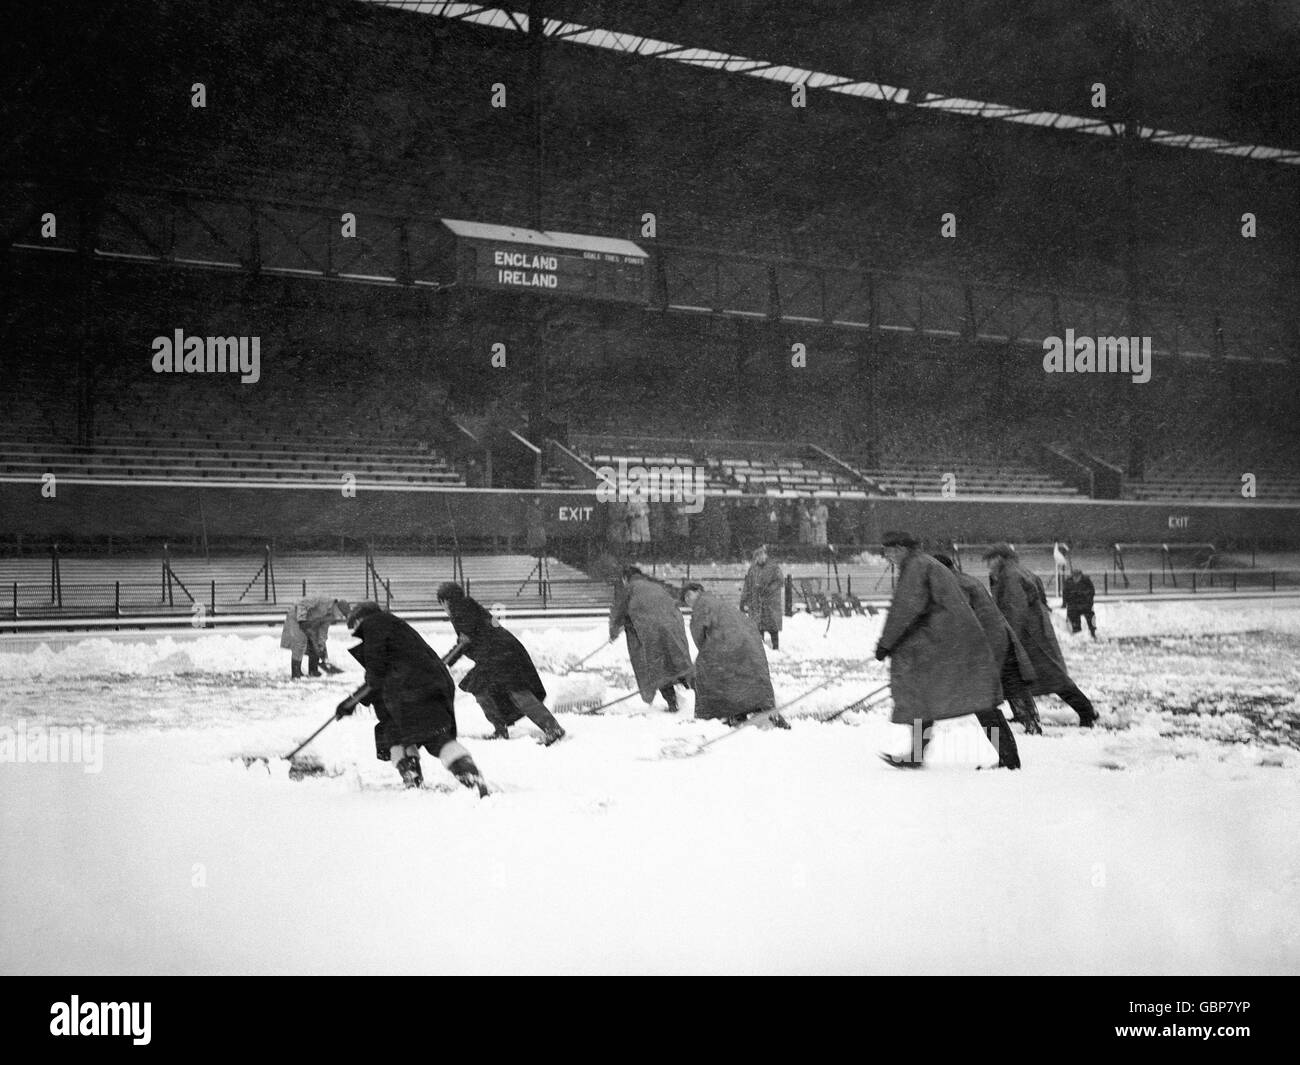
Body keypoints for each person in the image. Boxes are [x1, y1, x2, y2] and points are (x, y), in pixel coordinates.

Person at [874, 533, 1019, 769]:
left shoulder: (916, 566)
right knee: (929, 696)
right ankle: (916, 755)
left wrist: (886, 643)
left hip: (946, 644)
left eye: (888, 550)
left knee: (978, 702)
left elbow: (905, 607)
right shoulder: (923, 563)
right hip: (952, 641)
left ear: (900, 548)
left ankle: (1009, 759)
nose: (886, 556)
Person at [334, 601, 489, 795]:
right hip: (430, 685)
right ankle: (415, 778)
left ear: (360, 620)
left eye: (355, 626)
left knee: (435, 738)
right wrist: (353, 701)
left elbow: (376, 676)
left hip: (413, 690)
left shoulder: (374, 626)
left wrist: (350, 703)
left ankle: (470, 779)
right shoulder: (395, 627)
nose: (357, 632)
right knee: (395, 732)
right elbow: (384, 672)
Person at [435, 582, 566, 745]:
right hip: (497, 655)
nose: (443, 608)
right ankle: (500, 728)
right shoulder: (467, 608)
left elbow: (464, 642)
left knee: (518, 692)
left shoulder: (461, 611)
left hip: (502, 655)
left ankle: (552, 728)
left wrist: (442, 664)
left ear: (446, 601)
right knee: (481, 688)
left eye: (442, 603)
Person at [984, 543, 1099, 727]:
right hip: (1036, 633)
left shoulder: (1010, 576)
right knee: (1033, 678)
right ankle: (1026, 714)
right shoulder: (1018, 571)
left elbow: (1014, 609)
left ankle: (1085, 710)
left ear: (999, 558)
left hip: (1028, 637)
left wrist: (1009, 637)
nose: (988, 565)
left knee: (1048, 679)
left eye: (990, 560)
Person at [935, 554, 1042, 735]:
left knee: (991, 691)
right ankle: (1028, 720)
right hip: (997, 636)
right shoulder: (964, 579)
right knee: (1010, 680)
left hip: (989, 641)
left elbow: (961, 618)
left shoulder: (956, 584)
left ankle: (1026, 725)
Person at [682, 582, 788, 728]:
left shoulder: (702, 605)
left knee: (706, 674)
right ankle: (756, 709)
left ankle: (726, 713)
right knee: (746, 676)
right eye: (685, 599)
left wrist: (706, 655)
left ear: (699, 591)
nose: (688, 600)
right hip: (749, 641)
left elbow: (699, 636)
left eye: (689, 595)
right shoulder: (716, 602)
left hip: (728, 643)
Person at [609, 566, 694, 712]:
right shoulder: (655, 586)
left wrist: (613, 632)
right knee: (679, 661)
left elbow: (618, 611)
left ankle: (672, 702)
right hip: (673, 625)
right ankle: (696, 695)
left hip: (651, 629)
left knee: (658, 666)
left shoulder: (629, 588)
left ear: (625, 578)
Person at [280, 595, 350, 680]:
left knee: (316, 643)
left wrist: (321, 645)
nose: (340, 617)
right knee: (300, 642)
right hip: (296, 616)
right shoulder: (322, 600)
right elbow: (302, 604)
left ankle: (313, 671)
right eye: (341, 615)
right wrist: (302, 620)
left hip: (310, 621)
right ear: (337, 608)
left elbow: (323, 630)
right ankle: (295, 673)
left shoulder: (331, 615)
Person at [740, 544, 784, 650]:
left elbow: (779, 581)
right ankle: (761, 648)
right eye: (758, 556)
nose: (760, 557)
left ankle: (775, 647)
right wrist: (743, 600)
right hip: (756, 602)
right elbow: (747, 585)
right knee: (758, 627)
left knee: (773, 626)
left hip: (770, 602)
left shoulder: (773, 567)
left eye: (762, 555)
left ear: (765, 555)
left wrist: (768, 590)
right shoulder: (753, 569)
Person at [1063, 566, 1097, 638]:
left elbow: (1092, 592)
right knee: (1074, 620)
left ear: (1081, 575)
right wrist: (1066, 602)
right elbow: (1065, 593)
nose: (1076, 578)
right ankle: (1077, 632)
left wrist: (1088, 601)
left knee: (1091, 618)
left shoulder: (1086, 581)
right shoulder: (1068, 582)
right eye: (1074, 576)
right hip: (1073, 605)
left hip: (1085, 604)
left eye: (1077, 576)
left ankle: (1093, 632)